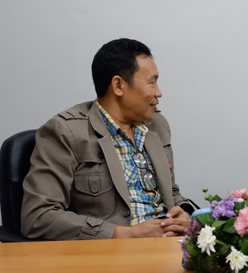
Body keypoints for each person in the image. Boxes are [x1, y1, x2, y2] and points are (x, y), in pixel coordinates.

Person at [21, 38, 197, 240]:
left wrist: (185, 215)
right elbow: (38, 217)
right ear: (118, 86)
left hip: (168, 247)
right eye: (151, 82)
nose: (159, 92)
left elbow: (170, 192)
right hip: (109, 256)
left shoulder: (158, 126)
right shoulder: (65, 132)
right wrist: (125, 234)